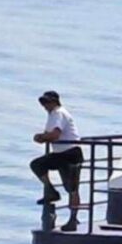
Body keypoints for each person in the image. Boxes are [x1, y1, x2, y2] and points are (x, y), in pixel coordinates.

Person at [30, 91, 83, 232]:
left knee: (72, 188)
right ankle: (50, 190)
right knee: (37, 165)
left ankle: (73, 219)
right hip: (60, 153)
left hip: (70, 153)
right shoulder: (53, 115)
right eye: (43, 103)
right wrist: (43, 137)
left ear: (54, 102)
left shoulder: (59, 113)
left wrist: (41, 137)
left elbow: (55, 134)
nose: (44, 105)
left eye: (46, 102)